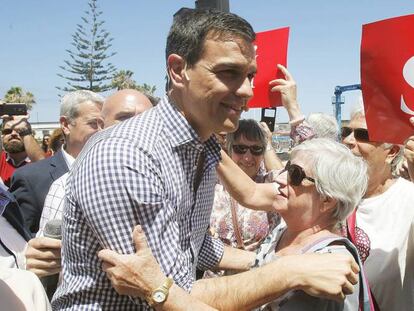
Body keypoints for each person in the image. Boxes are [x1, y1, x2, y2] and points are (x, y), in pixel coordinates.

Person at [53, 9, 358, 310]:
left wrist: (266, 259)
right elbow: (167, 295)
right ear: (178, 70)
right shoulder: (126, 156)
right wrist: (288, 270)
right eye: (229, 73)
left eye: (250, 75)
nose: (247, 91)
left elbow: (191, 244)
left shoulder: (205, 147)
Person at [98, 138, 370, 310]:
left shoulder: (327, 262)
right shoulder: (286, 229)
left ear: (327, 202)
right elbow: (249, 192)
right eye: (287, 168)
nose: (280, 179)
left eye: (296, 175)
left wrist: (156, 289)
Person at [26, 89, 154, 281]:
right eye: (125, 117)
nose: (136, 126)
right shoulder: (65, 185)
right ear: (102, 126)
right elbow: (43, 259)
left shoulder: (177, 176)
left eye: (146, 119)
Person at [341, 101, 414, 310]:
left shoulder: (408, 199)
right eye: (346, 131)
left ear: (391, 151)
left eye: (362, 135)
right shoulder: (333, 197)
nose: (348, 140)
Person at [10, 90, 104, 234]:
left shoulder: (115, 173)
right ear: (65, 125)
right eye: (93, 123)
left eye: (104, 124)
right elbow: (20, 239)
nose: (101, 131)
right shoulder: (31, 179)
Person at [208, 119, 279, 259]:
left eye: (256, 150)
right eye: (240, 149)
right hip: (217, 277)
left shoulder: (269, 184)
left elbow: (286, 176)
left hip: (259, 274)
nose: (247, 157)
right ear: (229, 149)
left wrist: (268, 145)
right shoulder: (213, 182)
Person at [0, 116, 45, 187]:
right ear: (2, 136)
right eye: (8, 131)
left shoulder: (44, 158)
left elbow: (44, 167)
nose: (13, 134)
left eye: (19, 131)